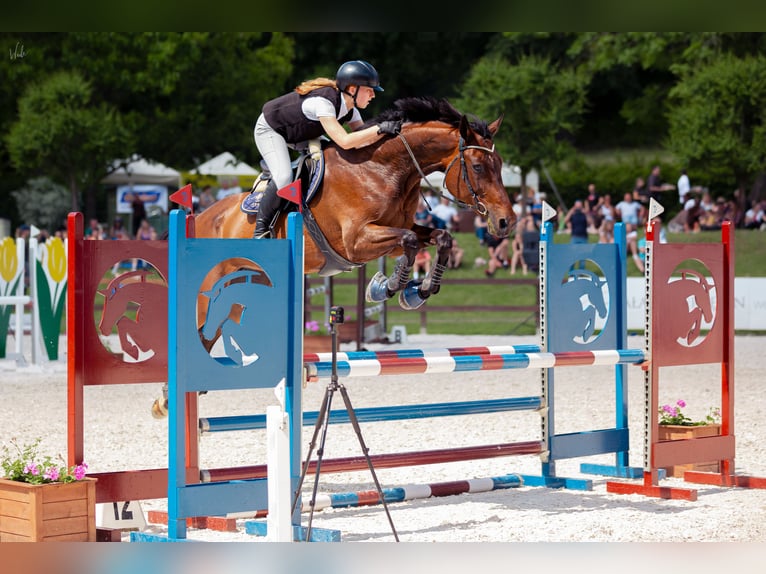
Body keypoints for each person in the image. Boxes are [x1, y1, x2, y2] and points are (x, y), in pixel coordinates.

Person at [252, 60, 399, 238]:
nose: (373, 95)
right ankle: (261, 230)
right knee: (284, 177)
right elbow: (345, 141)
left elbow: (363, 143)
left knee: (335, 158)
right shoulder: (324, 103)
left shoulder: (351, 111)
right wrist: (379, 129)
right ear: (353, 89)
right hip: (271, 129)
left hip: (302, 134)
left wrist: (391, 136)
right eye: (369, 90)